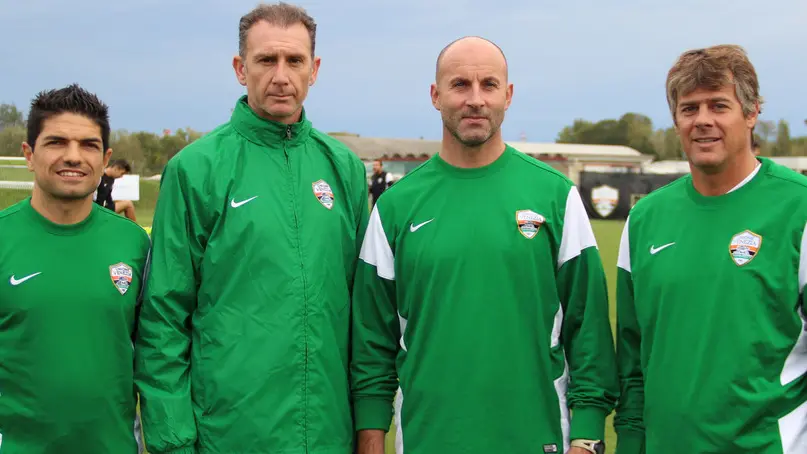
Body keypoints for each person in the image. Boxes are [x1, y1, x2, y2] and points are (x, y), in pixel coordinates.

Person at [350, 36, 618, 454]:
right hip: (428, 439)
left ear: (507, 96)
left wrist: (586, 434)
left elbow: (589, 329)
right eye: (460, 85)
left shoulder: (556, 196)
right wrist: (370, 434)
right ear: (435, 96)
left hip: (536, 437)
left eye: (488, 85)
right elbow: (371, 339)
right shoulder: (395, 207)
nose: (475, 99)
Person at [133, 3, 369, 454]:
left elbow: (366, 314)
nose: (281, 76)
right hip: (229, 435)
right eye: (266, 60)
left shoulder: (344, 169)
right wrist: (172, 439)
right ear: (241, 69)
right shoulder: (195, 169)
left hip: (328, 434)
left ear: (314, 69)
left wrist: (370, 422)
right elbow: (163, 317)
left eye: (294, 61)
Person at [613, 44, 807, 453]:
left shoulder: (798, 209)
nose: (702, 121)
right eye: (689, 108)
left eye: (719, 105)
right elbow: (632, 360)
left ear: (752, 114)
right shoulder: (645, 219)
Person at [0, 84, 150, 453]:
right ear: (28, 154)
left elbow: (155, 352)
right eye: (55, 143)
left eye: (88, 145)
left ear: (105, 158)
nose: (73, 156)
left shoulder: (134, 245)